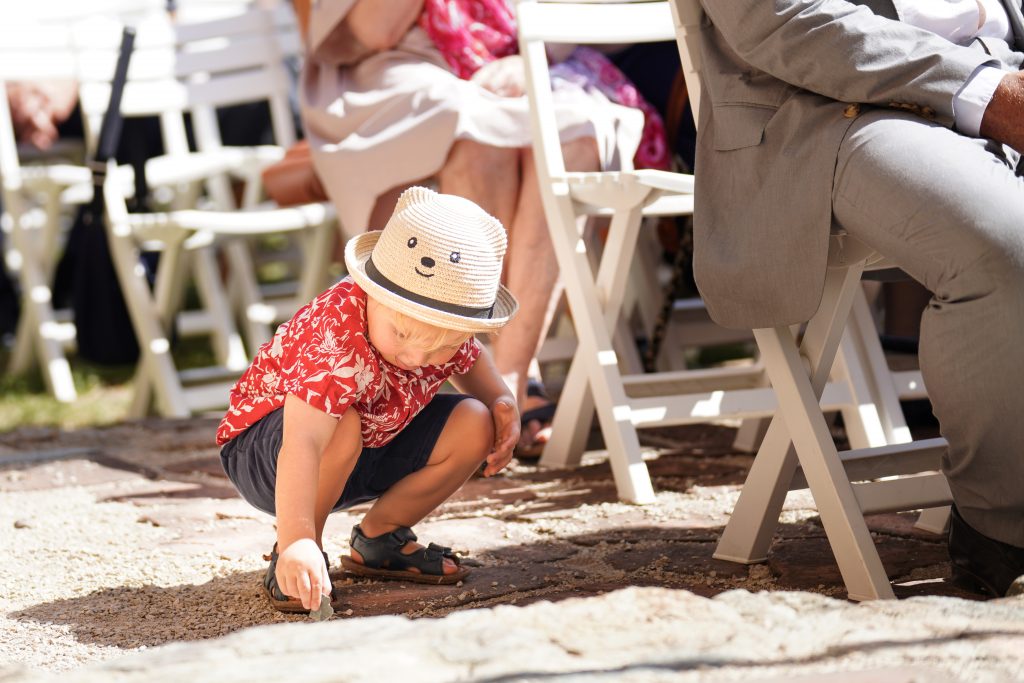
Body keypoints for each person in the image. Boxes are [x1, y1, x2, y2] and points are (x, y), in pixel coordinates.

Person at [694, 0, 1024, 597]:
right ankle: (1003, 525)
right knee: (1009, 243)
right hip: (832, 106)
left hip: (1001, 73)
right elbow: (783, 18)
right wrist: (991, 94)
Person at [296, 0, 669, 457]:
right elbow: (375, 30)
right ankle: (495, 380)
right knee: (477, 135)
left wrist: (532, 53)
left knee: (574, 134)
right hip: (401, 69)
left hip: (523, 53)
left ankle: (507, 377)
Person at [217, 187, 521, 614]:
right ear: (372, 292)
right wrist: (297, 539)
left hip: (368, 445)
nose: (417, 357)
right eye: (402, 335)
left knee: (475, 419)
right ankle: (299, 551)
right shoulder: (336, 335)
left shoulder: (436, 327)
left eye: (439, 349)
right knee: (341, 423)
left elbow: (473, 362)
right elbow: (302, 442)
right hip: (271, 452)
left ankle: (381, 537)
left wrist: (502, 402)